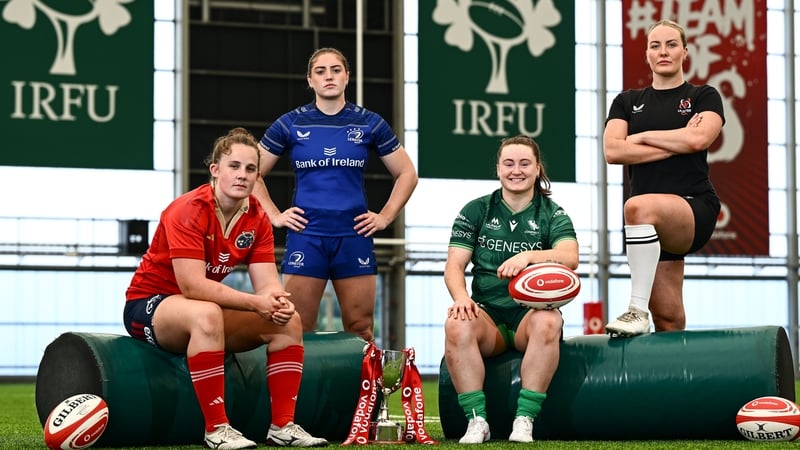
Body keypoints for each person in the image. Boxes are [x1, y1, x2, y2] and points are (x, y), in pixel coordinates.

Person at [124, 128, 329, 449]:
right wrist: (254, 303)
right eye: (234, 166)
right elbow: (192, 286)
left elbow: (267, 284)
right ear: (215, 170)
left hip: (202, 309)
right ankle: (217, 429)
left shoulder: (258, 217)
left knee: (289, 320)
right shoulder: (187, 209)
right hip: (149, 306)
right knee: (206, 314)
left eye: (250, 169)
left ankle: (282, 426)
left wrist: (278, 301)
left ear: (257, 176)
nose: (242, 175)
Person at [254, 47, 418, 342]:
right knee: (296, 326)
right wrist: (274, 215)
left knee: (360, 328)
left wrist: (385, 217)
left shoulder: (369, 122)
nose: (328, 76)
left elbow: (408, 173)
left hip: (353, 236)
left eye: (336, 70)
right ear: (310, 80)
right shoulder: (291, 123)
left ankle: (361, 390)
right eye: (320, 71)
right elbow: (251, 172)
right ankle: (302, 391)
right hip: (307, 235)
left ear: (347, 77)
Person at [443, 135, 579, 444]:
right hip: (488, 316)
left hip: (527, 317)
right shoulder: (476, 210)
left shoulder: (552, 213)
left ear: (537, 168)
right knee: (456, 321)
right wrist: (462, 298)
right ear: (498, 169)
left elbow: (571, 257)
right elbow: (454, 266)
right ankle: (477, 421)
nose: (516, 170)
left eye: (524, 163)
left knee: (549, 320)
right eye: (509, 163)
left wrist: (529, 256)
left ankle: (524, 419)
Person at [603, 19, 725, 337]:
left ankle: (634, 310)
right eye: (655, 45)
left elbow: (698, 141)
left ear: (685, 51)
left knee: (637, 207)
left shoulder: (704, 96)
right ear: (647, 54)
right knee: (669, 319)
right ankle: (678, 382)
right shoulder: (627, 102)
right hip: (650, 231)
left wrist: (641, 139)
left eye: (671, 44)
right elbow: (613, 151)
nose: (663, 51)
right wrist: (677, 140)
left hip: (693, 207)